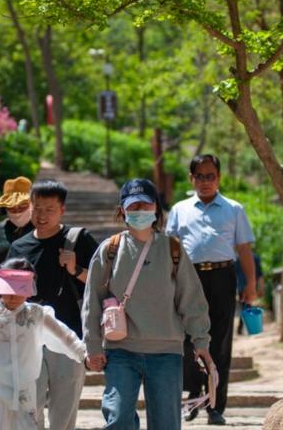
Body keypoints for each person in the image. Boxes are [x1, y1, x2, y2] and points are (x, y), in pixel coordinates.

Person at [83, 178, 213, 430]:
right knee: (118, 419)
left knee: (166, 424)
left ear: (156, 208)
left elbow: (192, 299)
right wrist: (92, 346)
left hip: (166, 351)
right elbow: (92, 303)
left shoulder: (173, 249)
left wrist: (201, 341)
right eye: (133, 206)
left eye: (146, 205)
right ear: (122, 210)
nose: (140, 211)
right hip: (120, 350)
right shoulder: (109, 250)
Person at [166, 154, 258, 425]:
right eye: (200, 176)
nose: (205, 182)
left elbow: (244, 250)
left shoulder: (234, 209)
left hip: (223, 276)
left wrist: (250, 285)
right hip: (188, 278)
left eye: (211, 176)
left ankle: (216, 405)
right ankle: (193, 396)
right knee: (187, 339)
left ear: (219, 178)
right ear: (191, 178)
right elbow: (170, 249)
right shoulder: (180, 209)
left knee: (220, 342)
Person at [6, 179, 99, 430]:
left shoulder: (79, 240)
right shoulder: (19, 246)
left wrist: (76, 268)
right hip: (28, 339)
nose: (42, 215)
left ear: (62, 210)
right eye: (37, 208)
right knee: (29, 409)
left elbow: (103, 283)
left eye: (49, 209)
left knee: (64, 409)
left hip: (68, 337)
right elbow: (8, 294)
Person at [0, 257, 88, 430]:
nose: (13, 295)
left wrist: (84, 354)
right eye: (8, 289)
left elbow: (66, 337)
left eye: (20, 289)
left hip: (24, 394)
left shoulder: (37, 315)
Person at [0, 176, 35, 305]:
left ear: (32, 205)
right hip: (2, 300)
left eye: (22, 207)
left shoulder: (41, 230)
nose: (17, 212)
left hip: (35, 300)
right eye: (12, 208)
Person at [236, 252, 264, 335]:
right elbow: (260, 274)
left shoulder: (237, 258)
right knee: (247, 307)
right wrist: (261, 287)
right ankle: (249, 328)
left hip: (241, 287)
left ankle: (243, 328)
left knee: (245, 307)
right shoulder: (255, 257)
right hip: (251, 287)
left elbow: (234, 275)